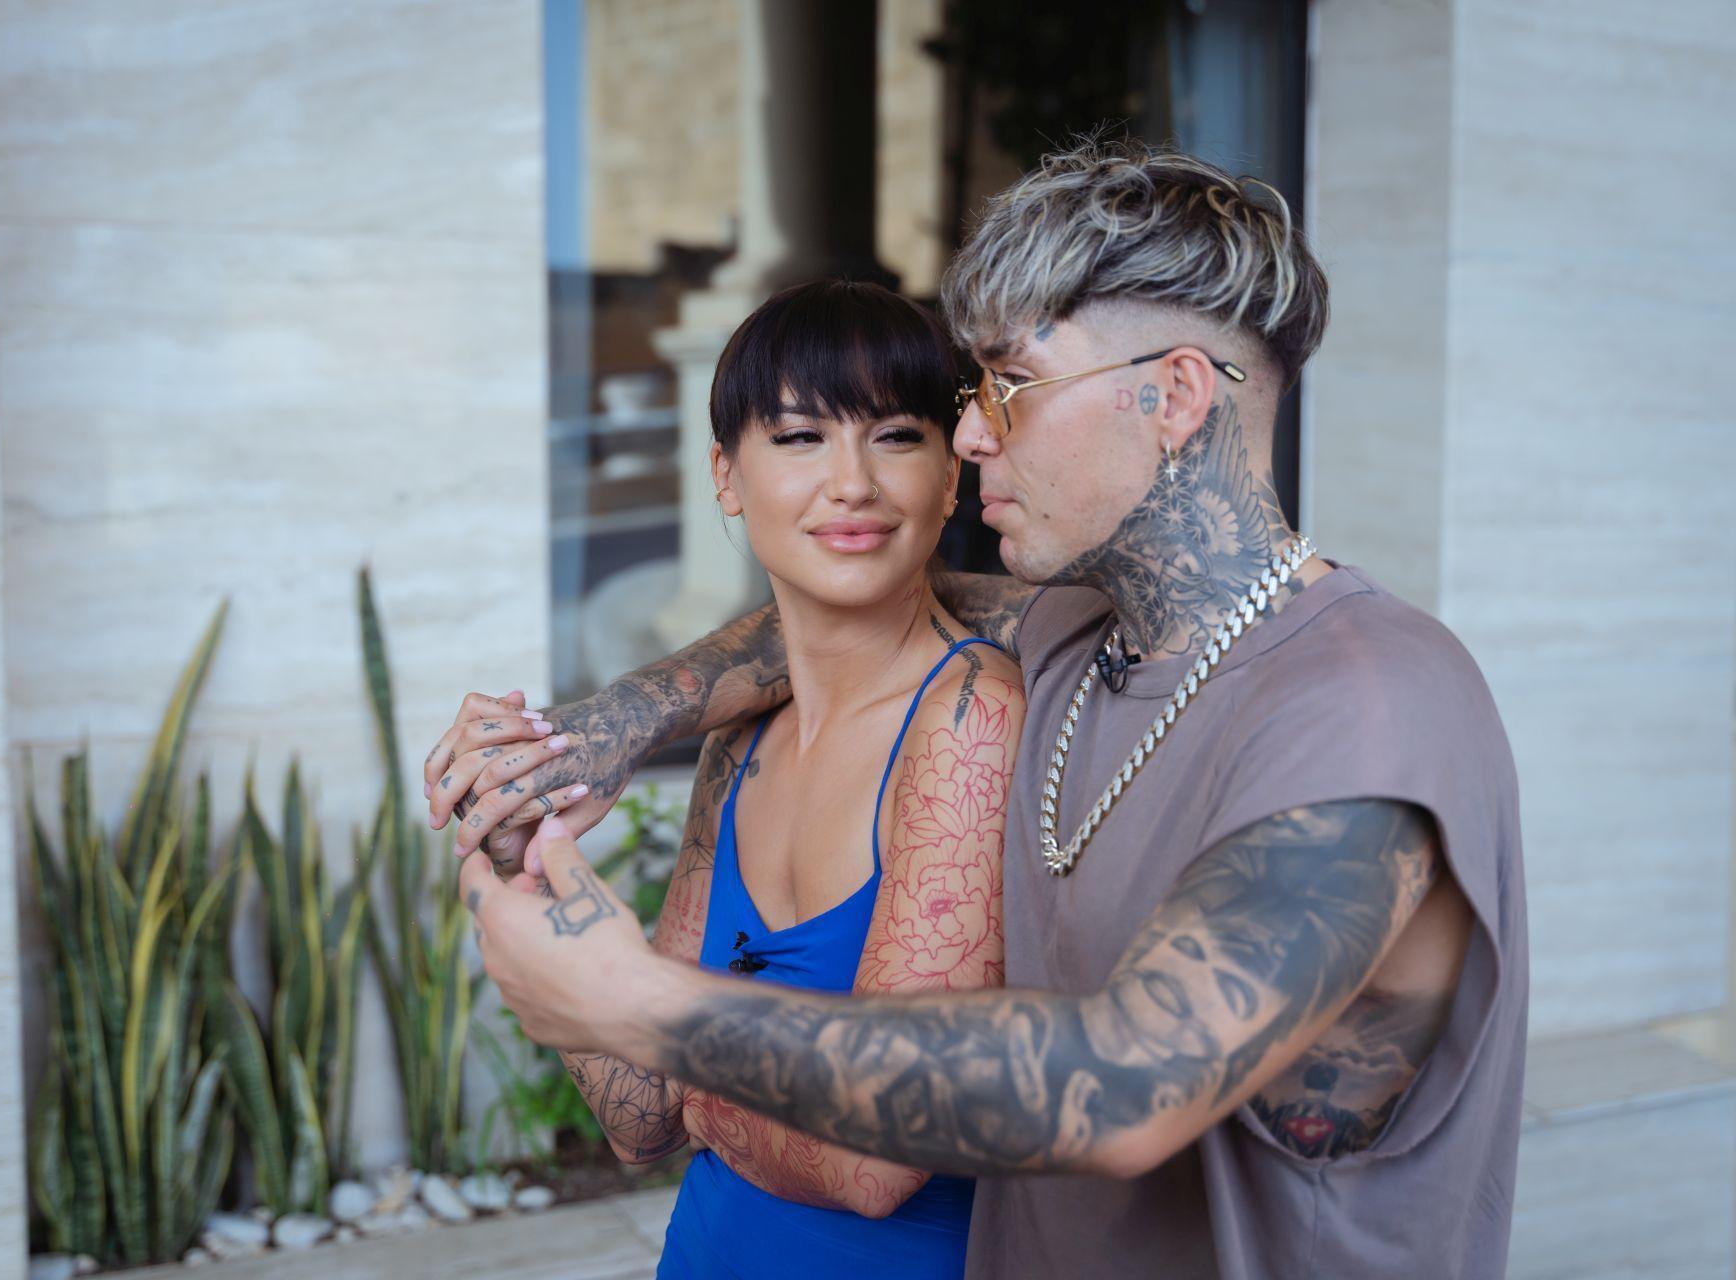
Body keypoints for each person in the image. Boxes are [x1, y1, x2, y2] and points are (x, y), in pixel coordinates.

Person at [431, 140, 1527, 1280]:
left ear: (1174, 396)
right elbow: (850, 609)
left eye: (1011, 385)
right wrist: (602, 728)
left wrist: (645, 1006)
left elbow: (1125, 1085)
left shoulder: (1371, 705)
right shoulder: (1075, 633)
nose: (968, 434)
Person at [427, 279, 1026, 1277]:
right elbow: (644, 1120)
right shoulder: (742, 741)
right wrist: (527, 865)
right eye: (799, 438)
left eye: (895, 436)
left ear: (950, 473)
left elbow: (872, 1159)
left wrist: (658, 1025)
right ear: (726, 476)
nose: (852, 484)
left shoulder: (972, 718)